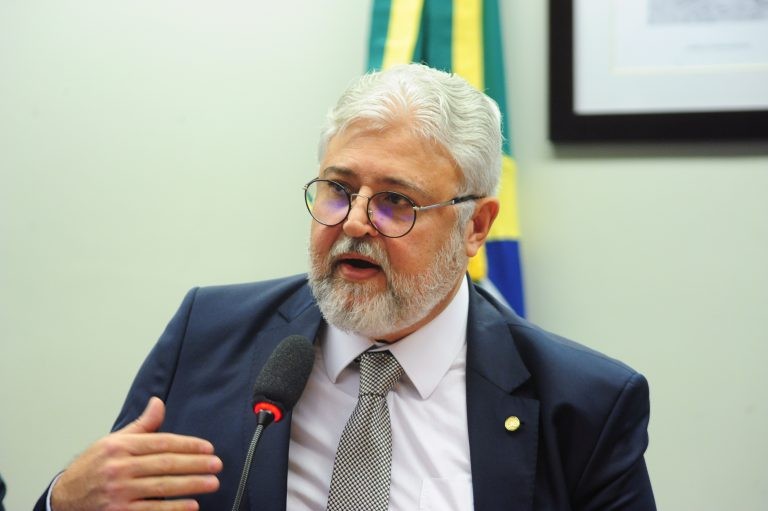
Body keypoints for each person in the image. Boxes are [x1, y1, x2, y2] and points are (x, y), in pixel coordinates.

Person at [36, 63, 656, 510]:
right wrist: (62, 501)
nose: (355, 222)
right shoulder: (209, 334)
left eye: (395, 201)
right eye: (338, 189)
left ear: (475, 227)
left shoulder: (586, 404)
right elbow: (114, 495)